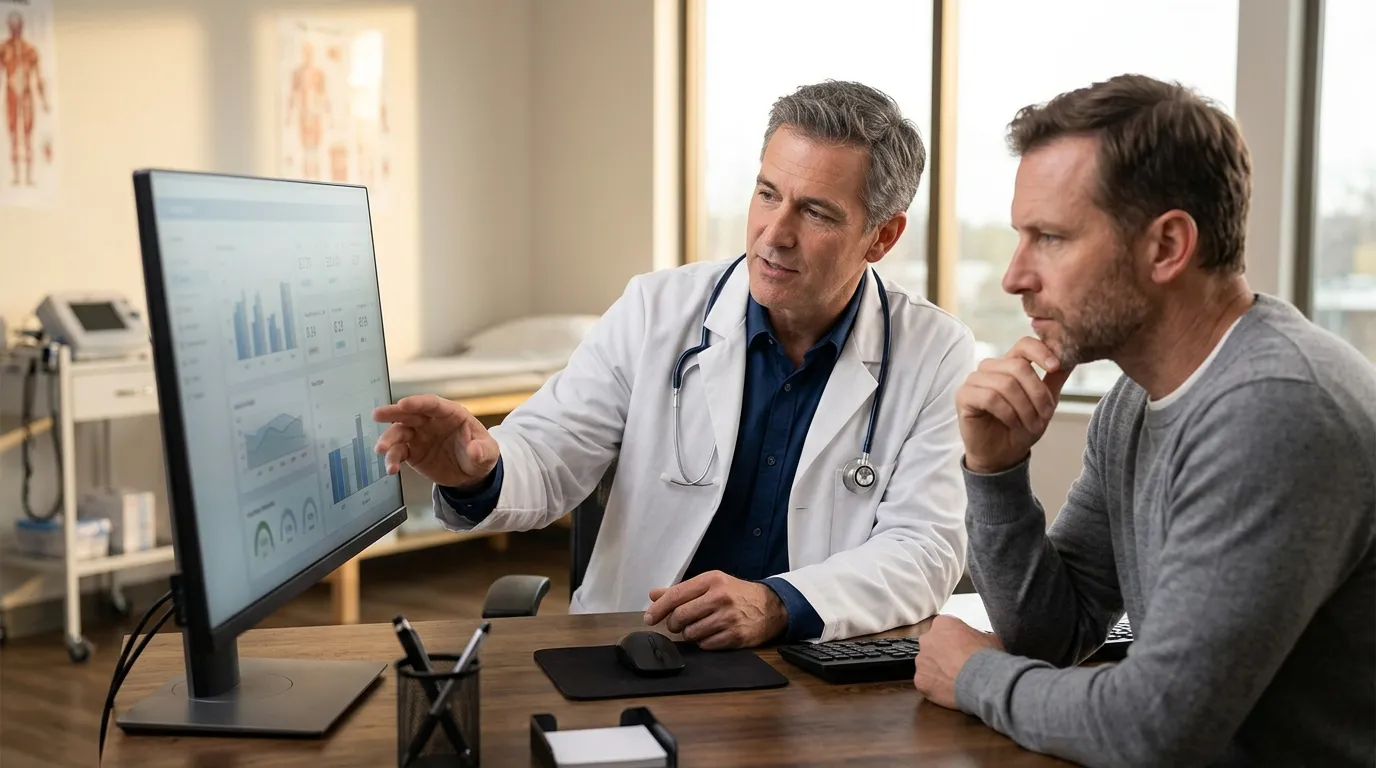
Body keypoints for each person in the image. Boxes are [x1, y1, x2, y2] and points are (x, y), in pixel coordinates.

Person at [374, 81, 976, 648]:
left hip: (810, 658)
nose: (774, 234)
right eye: (767, 194)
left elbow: (925, 547)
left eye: (815, 213)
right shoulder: (656, 309)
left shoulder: (933, 350)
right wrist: (482, 469)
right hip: (635, 644)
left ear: (882, 237)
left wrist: (778, 603)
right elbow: (553, 448)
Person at [913, 73, 1376, 767]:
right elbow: (1057, 634)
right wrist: (997, 470)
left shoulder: (1276, 408)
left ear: (1166, 246)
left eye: (1050, 237)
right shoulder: (1133, 401)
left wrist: (972, 675)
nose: (1013, 276)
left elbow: (1152, 729)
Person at [1, 11, 49, 187]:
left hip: (27, 95)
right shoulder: (4, 48)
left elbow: (39, 78)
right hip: (12, 94)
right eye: (12, 26)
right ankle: (15, 176)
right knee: (13, 133)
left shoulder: (30, 50)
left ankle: (28, 177)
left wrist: (44, 101)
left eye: (17, 26)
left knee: (27, 135)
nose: (15, 29)